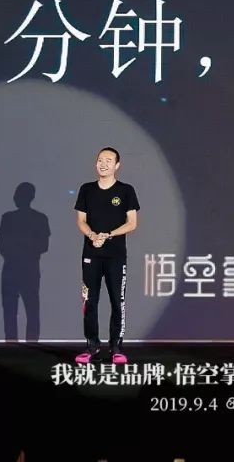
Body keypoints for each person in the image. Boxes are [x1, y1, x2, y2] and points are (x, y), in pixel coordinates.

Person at [73, 147, 139, 364]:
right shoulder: (87, 189)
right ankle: (91, 346)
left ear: (117, 165)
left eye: (108, 160)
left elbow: (132, 223)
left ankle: (116, 347)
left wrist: (108, 234)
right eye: (100, 160)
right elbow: (81, 220)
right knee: (89, 301)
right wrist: (92, 235)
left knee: (117, 302)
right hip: (91, 254)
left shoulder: (126, 190)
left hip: (115, 256)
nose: (103, 164)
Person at [0, 182, 50, 343]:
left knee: (12, 309)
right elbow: (43, 246)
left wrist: (17, 250)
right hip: (28, 269)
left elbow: (3, 246)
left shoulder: (8, 218)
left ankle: (13, 343)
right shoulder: (40, 219)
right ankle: (30, 343)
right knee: (30, 308)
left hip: (13, 269)